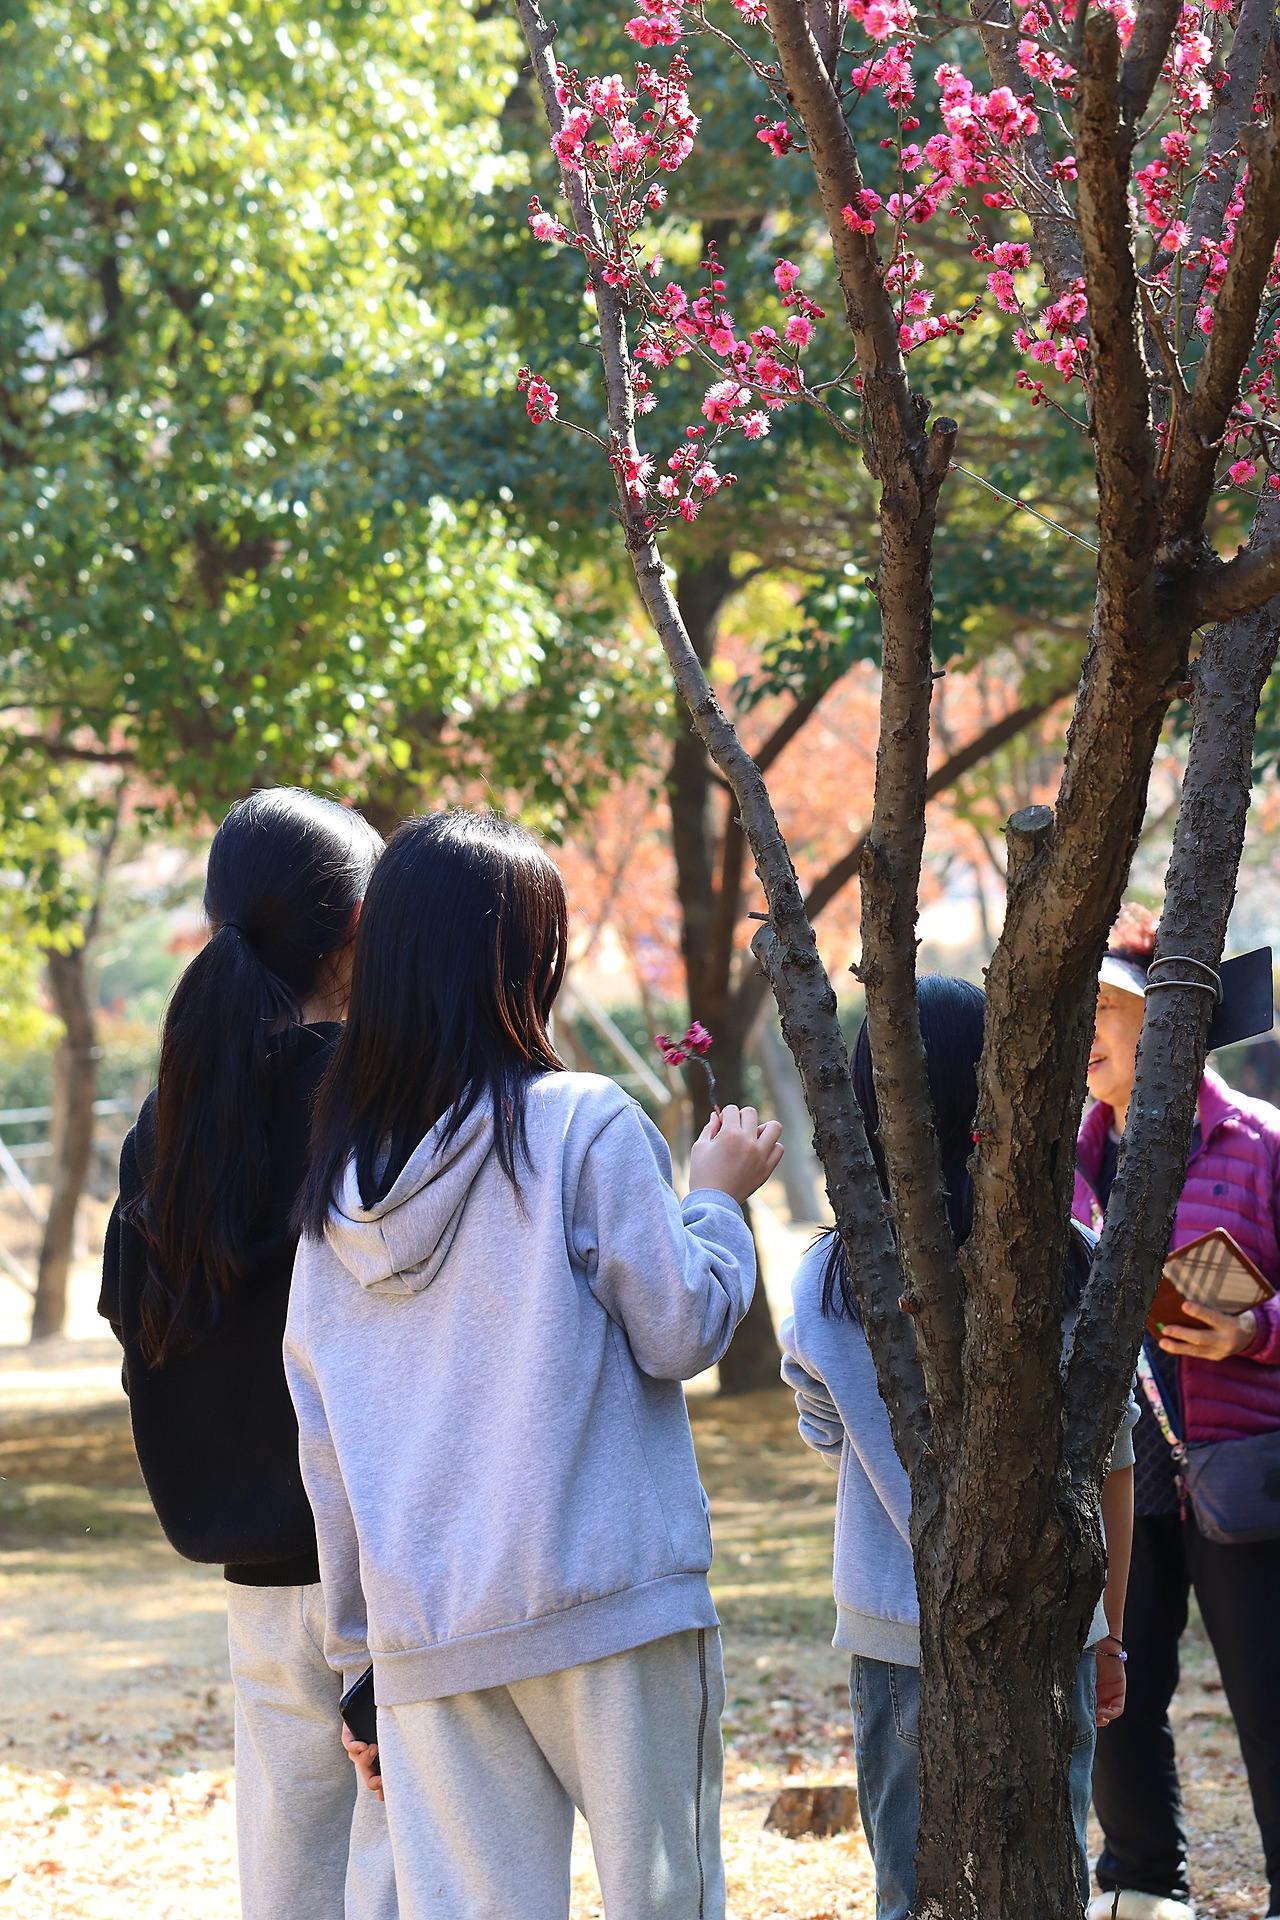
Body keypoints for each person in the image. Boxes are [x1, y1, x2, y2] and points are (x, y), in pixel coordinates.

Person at [283, 809, 783, 1920]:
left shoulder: (330, 1205)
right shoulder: (580, 1124)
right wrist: (714, 1201)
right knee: (664, 1904)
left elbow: (327, 1460)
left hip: (430, 1639)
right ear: (522, 962)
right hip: (609, 1606)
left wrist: (361, 1665)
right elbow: (683, 1329)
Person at [780, 975, 1137, 1920]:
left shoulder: (834, 1279)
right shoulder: (1067, 1259)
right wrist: (1109, 1631)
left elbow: (824, 1430)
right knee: (1046, 1881)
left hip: (898, 1630)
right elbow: (1114, 1461)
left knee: (912, 1891)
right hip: (1051, 1623)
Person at [99, 789, 395, 1920]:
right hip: (386, 1567)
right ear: (360, 928)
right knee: (408, 1871)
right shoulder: (377, 1095)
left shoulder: (168, 1120)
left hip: (255, 1581)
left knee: (288, 1882)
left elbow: (138, 1325)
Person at [1076, 905, 1280, 1920]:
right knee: (1115, 1688)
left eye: (1104, 1009)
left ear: (1166, 1022)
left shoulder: (1260, 1141)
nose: (1085, 1034)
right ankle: (1141, 1887)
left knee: (1270, 1698)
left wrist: (1254, 1332)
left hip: (1242, 1466)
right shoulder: (1063, 1164)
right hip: (1122, 1470)